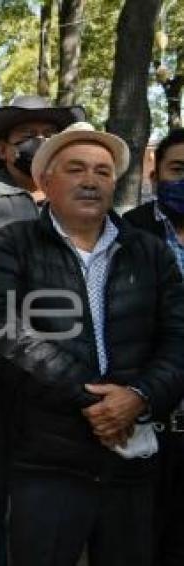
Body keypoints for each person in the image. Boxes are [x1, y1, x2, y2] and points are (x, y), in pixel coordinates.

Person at [0, 122, 184, 566]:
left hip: (130, 457)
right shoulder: (11, 245)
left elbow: (179, 338)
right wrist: (94, 401)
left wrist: (140, 396)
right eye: (75, 169)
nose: (90, 180)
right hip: (47, 462)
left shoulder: (149, 253)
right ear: (45, 181)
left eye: (102, 172)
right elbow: (2, 331)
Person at [0, 94, 85, 566]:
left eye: (48, 136)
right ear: (4, 150)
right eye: (26, 138)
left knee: (53, 505)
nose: (39, 144)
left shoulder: (77, 196)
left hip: (66, 381)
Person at [123, 128, 184, 566]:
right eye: (178, 170)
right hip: (151, 406)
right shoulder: (129, 230)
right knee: (146, 533)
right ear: (155, 172)